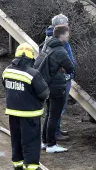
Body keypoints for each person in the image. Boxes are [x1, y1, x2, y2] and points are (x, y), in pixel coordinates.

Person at [3, 43, 49, 170]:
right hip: (30, 114)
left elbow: (6, 86)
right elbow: (44, 93)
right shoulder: (32, 74)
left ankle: (17, 164)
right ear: (30, 58)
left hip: (13, 112)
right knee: (31, 141)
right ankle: (31, 167)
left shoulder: (7, 71)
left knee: (16, 140)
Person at [34, 25, 74, 153]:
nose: (68, 36)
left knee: (49, 115)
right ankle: (51, 144)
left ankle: (45, 142)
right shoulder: (60, 51)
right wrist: (62, 69)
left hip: (46, 85)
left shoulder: (47, 45)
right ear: (61, 35)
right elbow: (70, 67)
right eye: (67, 34)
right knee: (54, 116)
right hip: (56, 87)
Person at [42, 14, 75, 142]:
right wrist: (69, 71)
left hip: (59, 78)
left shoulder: (50, 38)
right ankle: (54, 133)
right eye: (66, 24)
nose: (68, 26)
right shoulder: (57, 41)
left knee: (55, 110)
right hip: (60, 79)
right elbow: (64, 60)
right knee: (57, 109)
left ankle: (56, 130)